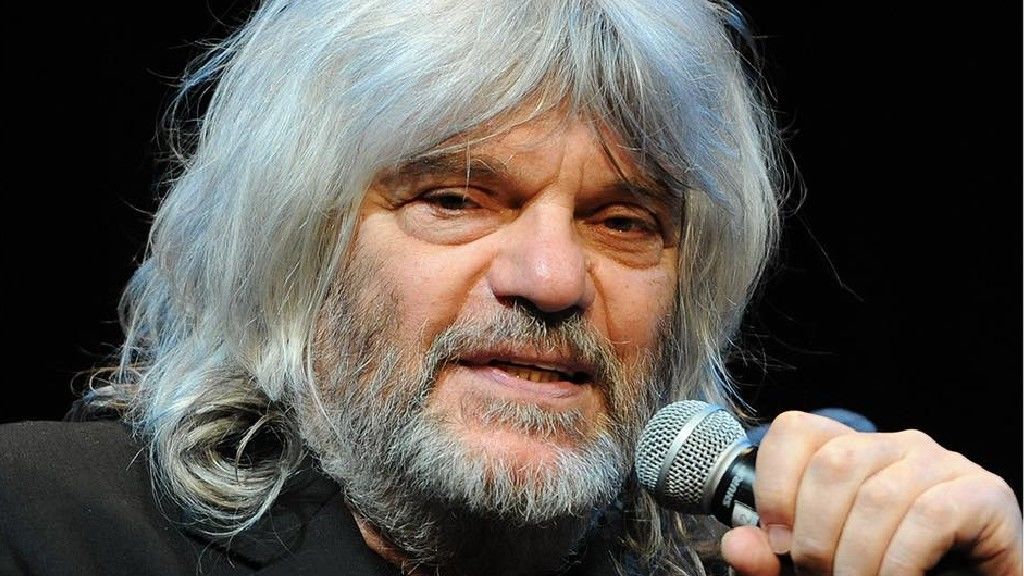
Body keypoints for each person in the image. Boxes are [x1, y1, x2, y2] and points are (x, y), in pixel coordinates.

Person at [1, 1, 1020, 575]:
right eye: (454, 199)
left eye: (623, 222)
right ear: (294, 253)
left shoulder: (752, 562)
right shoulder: (42, 526)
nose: (551, 278)